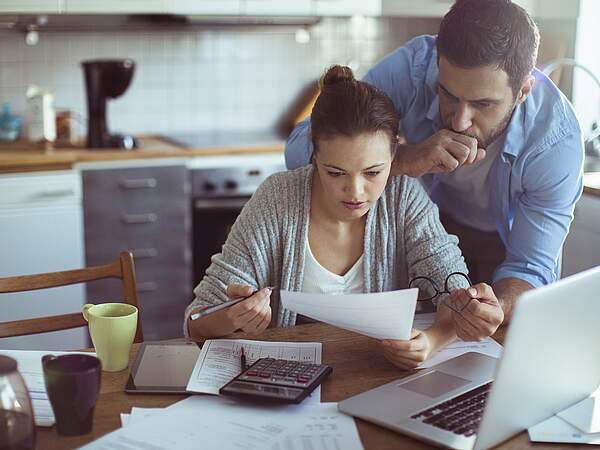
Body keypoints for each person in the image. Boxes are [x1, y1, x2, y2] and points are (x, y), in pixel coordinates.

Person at [285, 0, 584, 341]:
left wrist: (497, 304)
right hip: (417, 235)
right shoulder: (412, 69)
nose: (459, 120)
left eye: (482, 104)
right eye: (448, 94)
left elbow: (531, 267)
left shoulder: (555, 144)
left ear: (523, 91)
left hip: (498, 248)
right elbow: (298, 150)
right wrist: (403, 159)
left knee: (486, 356)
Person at [185, 65, 503, 370]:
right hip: (284, 385)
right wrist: (232, 318)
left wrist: (432, 340)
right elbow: (195, 321)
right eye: (336, 173)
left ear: (394, 154)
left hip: (374, 382)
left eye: (373, 172)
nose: (355, 191)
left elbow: (455, 296)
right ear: (314, 155)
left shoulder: (403, 196)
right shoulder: (277, 199)